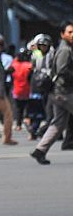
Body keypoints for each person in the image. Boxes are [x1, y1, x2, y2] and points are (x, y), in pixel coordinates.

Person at [31, 20, 73, 165]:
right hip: (64, 92)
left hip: (59, 93)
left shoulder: (66, 48)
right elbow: (62, 70)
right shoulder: (65, 50)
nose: (72, 35)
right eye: (69, 32)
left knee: (58, 124)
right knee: (58, 123)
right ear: (62, 34)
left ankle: (40, 150)